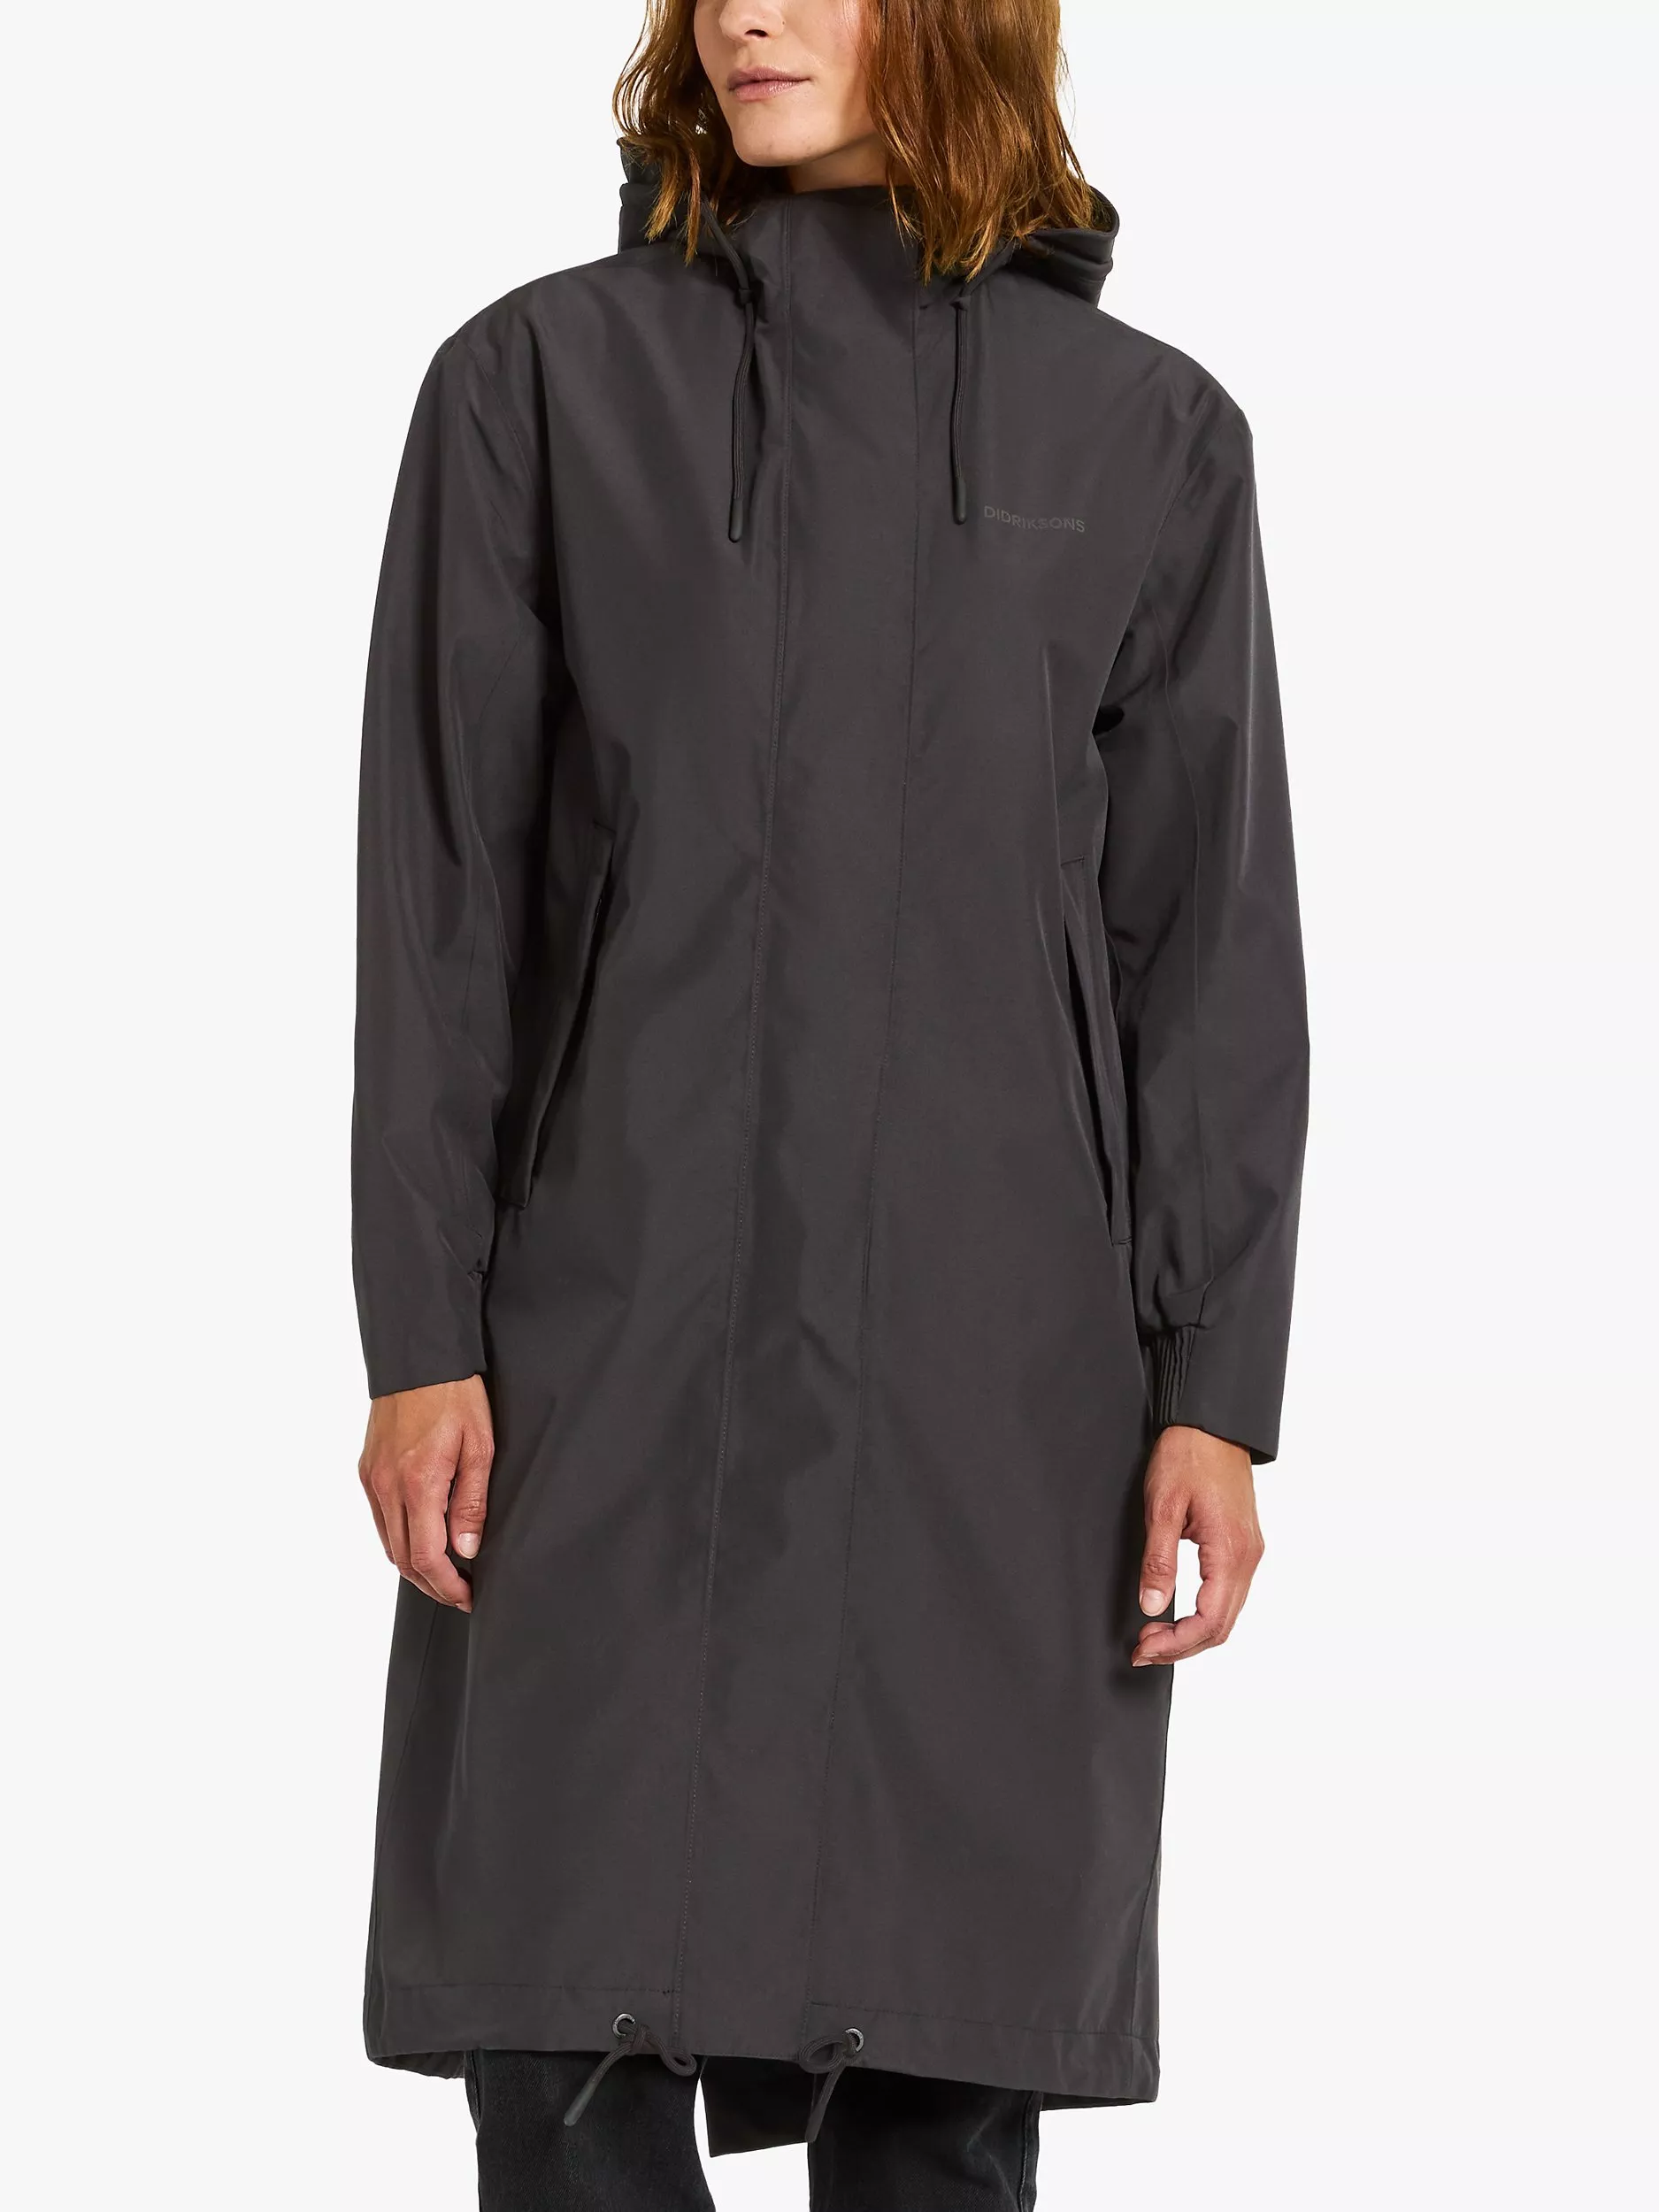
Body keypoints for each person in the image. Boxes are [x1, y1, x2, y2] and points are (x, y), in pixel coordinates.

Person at [351, 0, 1309, 2203]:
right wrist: (420, 1333)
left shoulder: (1150, 434)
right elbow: (437, 905)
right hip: (604, 1346)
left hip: (1002, 1382)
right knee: (561, 2036)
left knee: (943, 2070)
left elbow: (1206, 947)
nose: (745, 15)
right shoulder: (537, 385)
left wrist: (1214, 1387)